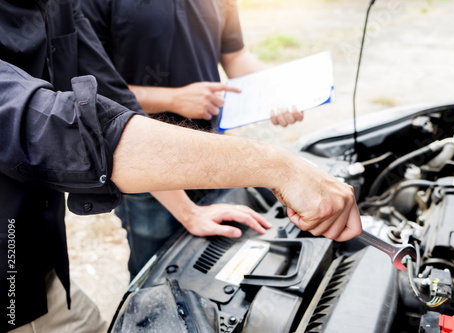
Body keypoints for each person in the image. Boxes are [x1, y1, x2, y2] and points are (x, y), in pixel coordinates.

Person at [0, 0, 361, 332]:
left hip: (39, 250)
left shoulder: (58, 5)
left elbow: (112, 98)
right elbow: (53, 127)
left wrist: (188, 211)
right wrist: (277, 166)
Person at [81, 0, 305, 279]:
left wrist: (274, 92)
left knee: (216, 262)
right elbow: (90, 91)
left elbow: (235, 55)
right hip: (146, 167)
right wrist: (173, 99)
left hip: (211, 151)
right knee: (157, 271)